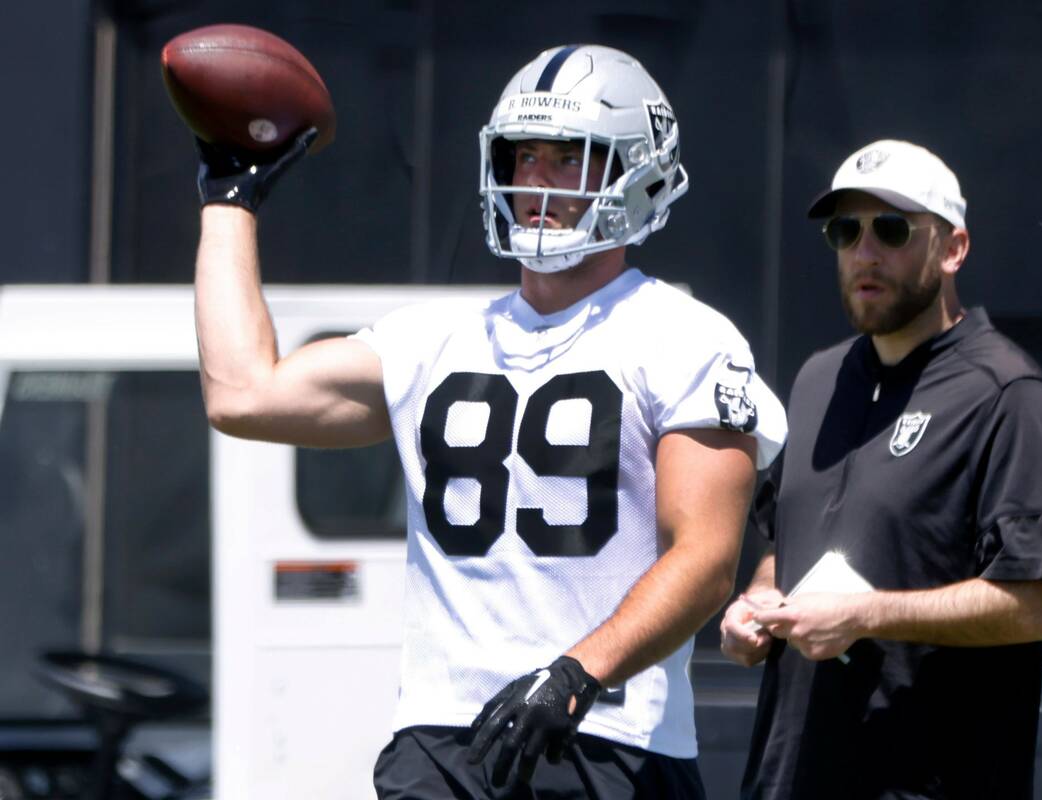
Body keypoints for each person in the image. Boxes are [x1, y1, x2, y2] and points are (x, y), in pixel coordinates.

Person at [191, 44, 786, 799]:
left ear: (640, 171)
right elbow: (241, 394)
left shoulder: (685, 335)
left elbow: (704, 562)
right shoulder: (431, 341)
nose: (534, 180)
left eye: (567, 158)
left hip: (606, 737)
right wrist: (227, 203)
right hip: (443, 739)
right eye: (521, 154)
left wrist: (577, 673)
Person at [719, 139, 1042, 800]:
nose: (865, 252)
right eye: (846, 231)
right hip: (788, 778)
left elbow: (1041, 604)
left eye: (891, 230)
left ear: (953, 249)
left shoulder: (1009, 394)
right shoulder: (818, 378)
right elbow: (790, 544)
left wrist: (866, 615)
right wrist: (756, 602)